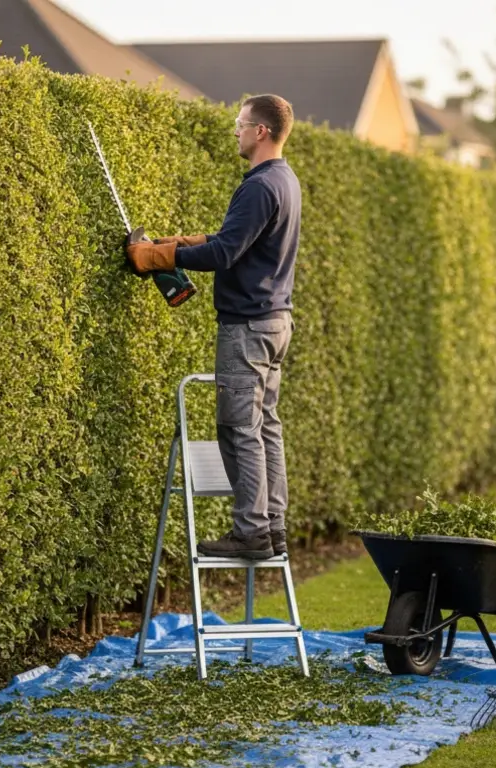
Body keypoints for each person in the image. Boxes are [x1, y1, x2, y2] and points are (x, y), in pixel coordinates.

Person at [125, 94, 300, 561]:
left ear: (260, 131)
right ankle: (273, 527)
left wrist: (158, 256)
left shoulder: (260, 185)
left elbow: (224, 255)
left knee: (239, 428)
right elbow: (233, 241)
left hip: (247, 325)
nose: (237, 132)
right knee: (265, 428)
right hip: (274, 321)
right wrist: (178, 242)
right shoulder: (284, 180)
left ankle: (251, 532)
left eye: (241, 124)